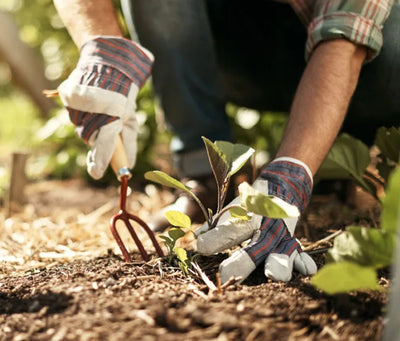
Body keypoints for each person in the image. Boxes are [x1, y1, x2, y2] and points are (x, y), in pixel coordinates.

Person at [53, 0, 399, 283]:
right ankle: (207, 175)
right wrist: (102, 44)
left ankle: (335, 159)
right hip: (237, 49)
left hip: (368, 59)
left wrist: (290, 175)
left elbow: (345, 43)